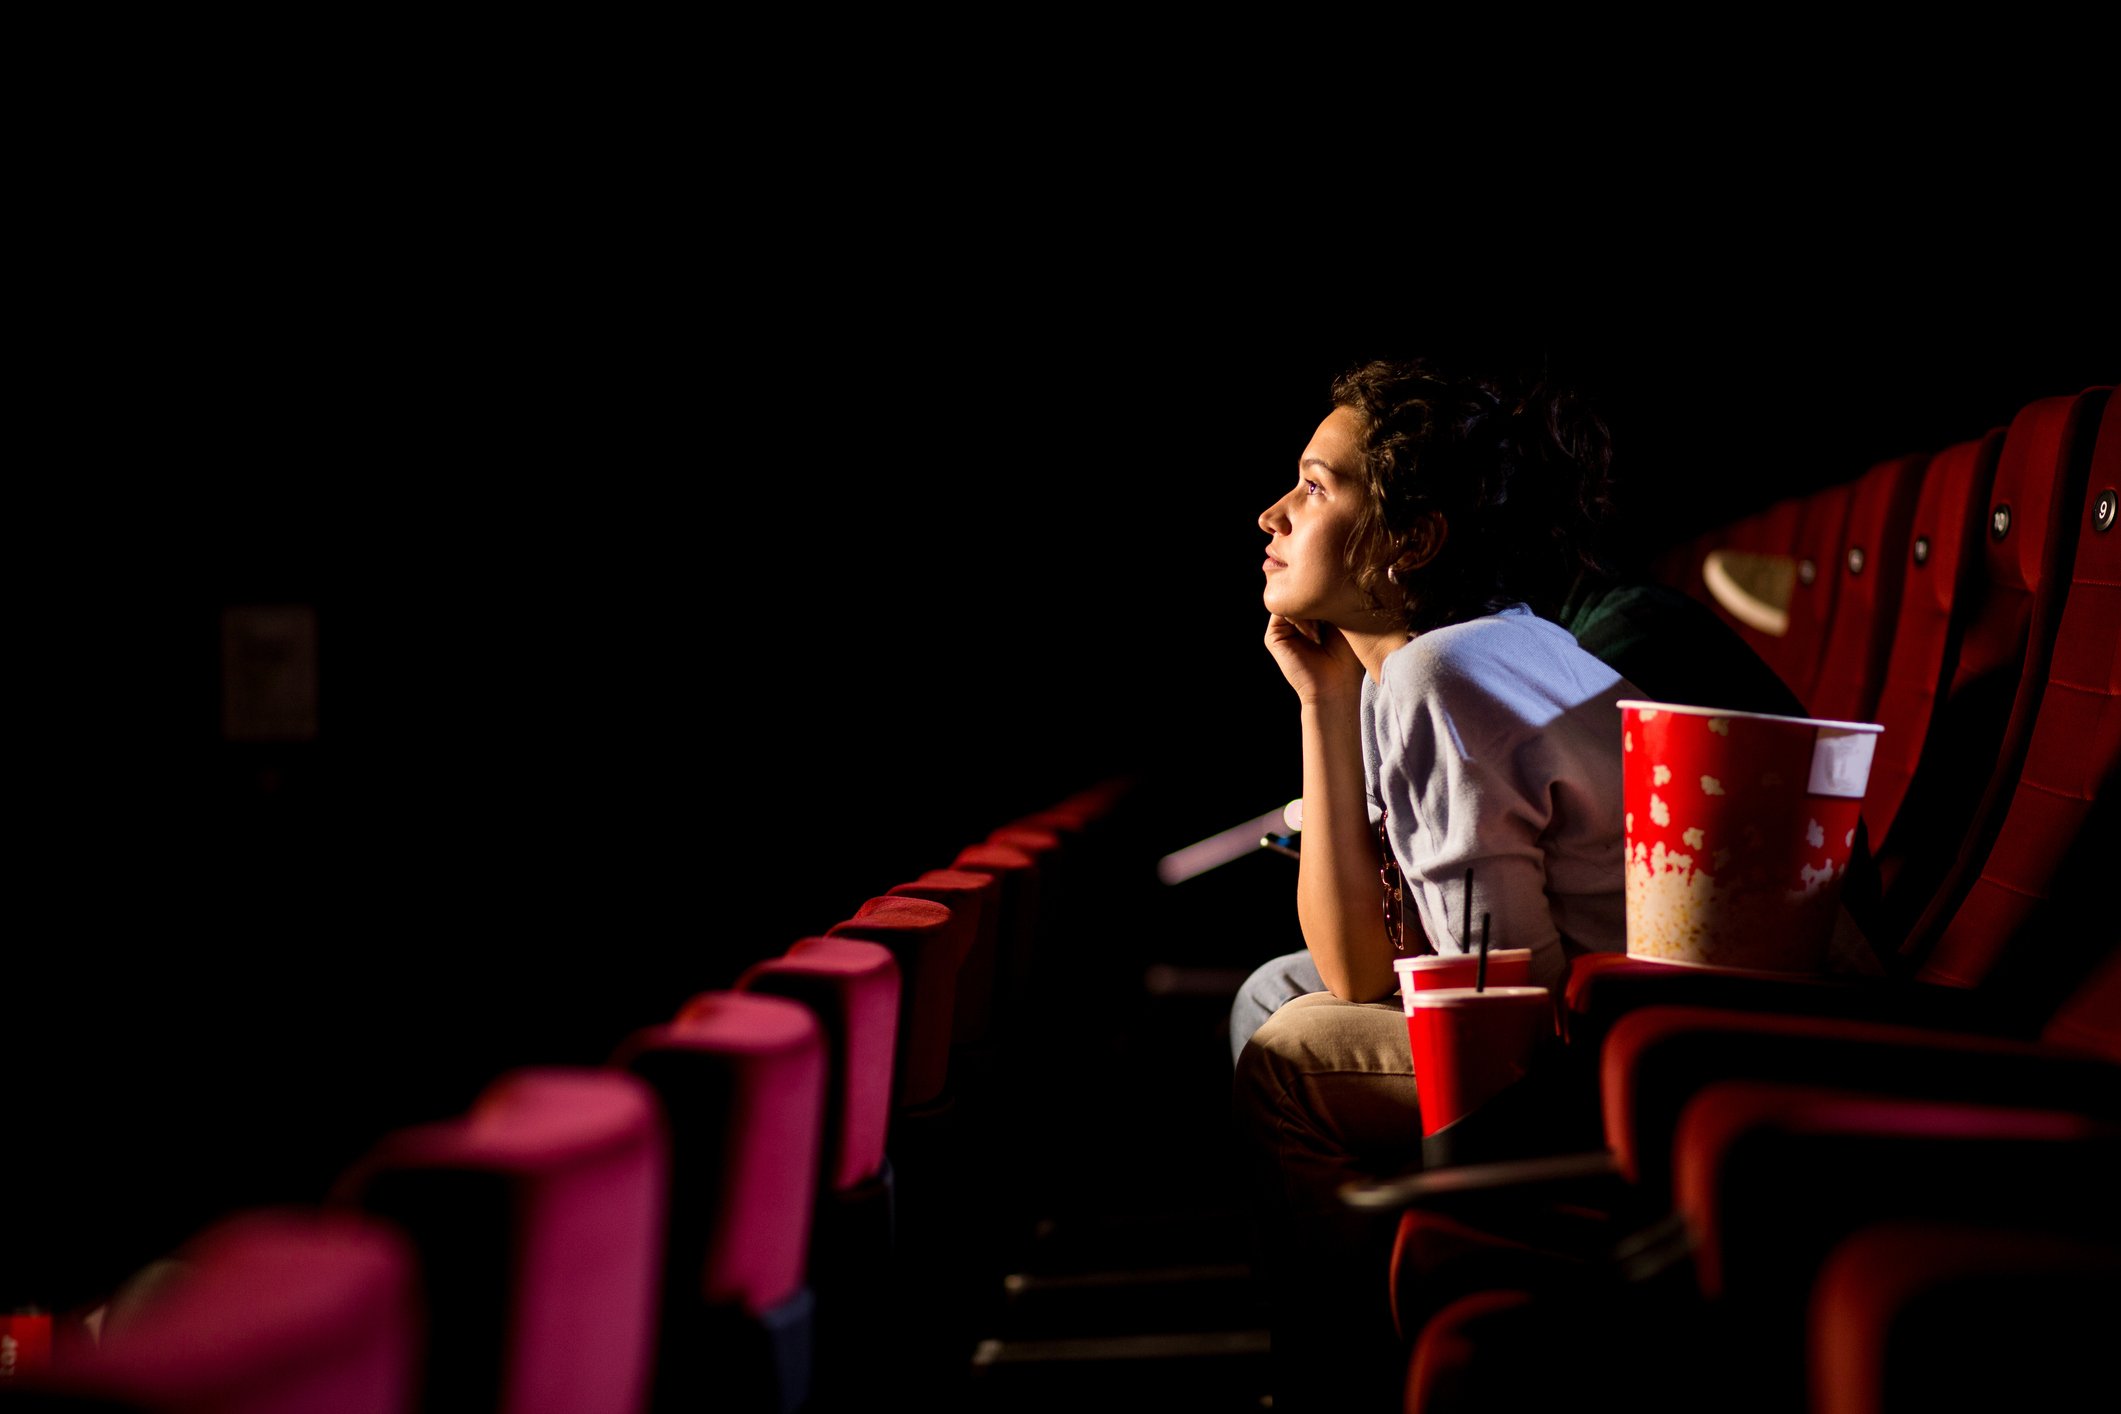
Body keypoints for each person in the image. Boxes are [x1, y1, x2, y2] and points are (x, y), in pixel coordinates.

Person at [1231, 355, 1644, 1412]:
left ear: (1412, 541)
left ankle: (1358, 1376)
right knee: (1277, 990)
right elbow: (1354, 962)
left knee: (1284, 1057)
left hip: (1622, 1060)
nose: (1272, 515)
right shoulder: (1459, 653)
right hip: (1593, 1023)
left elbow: (1497, 1004)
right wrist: (1322, 704)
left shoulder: (1438, 677)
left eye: (1318, 488)